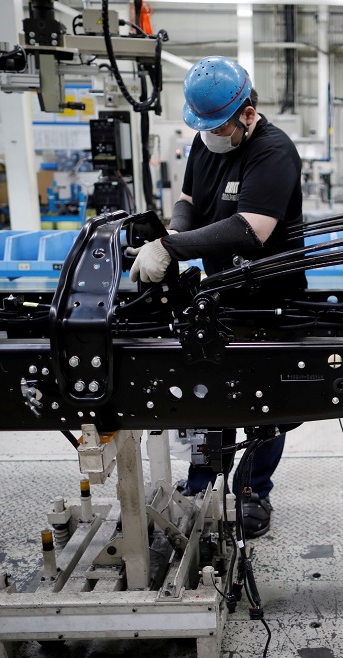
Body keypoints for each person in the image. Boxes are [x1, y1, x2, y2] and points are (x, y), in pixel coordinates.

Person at [128, 56, 305, 537]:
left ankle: (252, 491)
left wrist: (170, 246)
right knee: (207, 395)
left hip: (270, 296)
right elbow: (188, 204)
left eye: (220, 125)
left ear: (248, 113)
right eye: (204, 126)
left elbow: (252, 230)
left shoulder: (274, 151)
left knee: (263, 404)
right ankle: (203, 480)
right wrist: (172, 237)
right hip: (217, 293)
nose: (211, 134)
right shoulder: (205, 141)